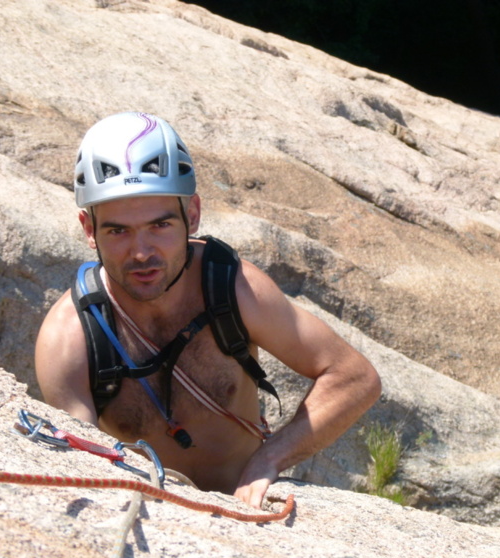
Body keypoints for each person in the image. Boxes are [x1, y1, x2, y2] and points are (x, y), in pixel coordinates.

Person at [35, 112, 381, 508]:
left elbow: (354, 377)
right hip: (149, 511)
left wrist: (268, 460)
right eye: (118, 231)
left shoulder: (232, 288)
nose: (142, 252)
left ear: (193, 215)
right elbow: (85, 469)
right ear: (88, 228)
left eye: (160, 225)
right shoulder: (70, 337)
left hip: (247, 501)